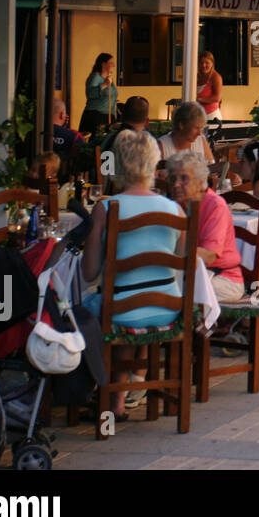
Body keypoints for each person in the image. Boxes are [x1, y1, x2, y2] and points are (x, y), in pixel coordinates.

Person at [79, 129, 185, 418]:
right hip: (168, 309)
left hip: (122, 311)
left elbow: (89, 273)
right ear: (154, 163)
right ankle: (121, 397)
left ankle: (93, 393)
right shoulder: (175, 209)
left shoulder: (106, 207)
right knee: (125, 300)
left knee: (81, 310)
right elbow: (182, 261)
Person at [167, 151, 243, 303]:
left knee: (174, 292)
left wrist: (167, 256)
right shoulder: (173, 205)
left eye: (184, 178)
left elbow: (209, 255)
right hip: (188, 273)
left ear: (200, 181)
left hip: (222, 278)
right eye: (173, 179)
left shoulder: (215, 205)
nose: (176, 184)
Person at [79, 52, 117, 134]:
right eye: (111, 63)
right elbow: (90, 94)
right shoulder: (95, 77)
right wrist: (105, 84)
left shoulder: (109, 78)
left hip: (108, 116)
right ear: (103, 64)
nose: (114, 65)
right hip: (96, 116)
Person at [196, 51, 223, 121]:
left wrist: (198, 99)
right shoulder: (197, 76)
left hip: (212, 116)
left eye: (207, 63)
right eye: (201, 63)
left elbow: (217, 98)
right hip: (198, 116)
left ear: (212, 64)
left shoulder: (216, 77)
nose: (203, 65)